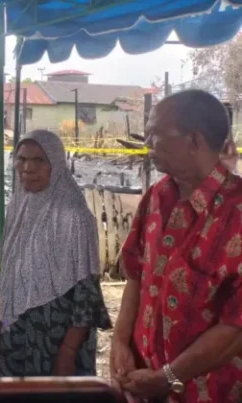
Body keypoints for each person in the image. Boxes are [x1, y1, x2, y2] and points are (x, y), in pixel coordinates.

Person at [111, 89, 242, 402]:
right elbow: (136, 276)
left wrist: (168, 377)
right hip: (142, 386)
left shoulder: (236, 213)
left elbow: (236, 328)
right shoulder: (156, 197)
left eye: (155, 134)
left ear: (194, 141)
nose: (147, 143)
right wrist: (120, 342)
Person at [0, 129, 112, 377]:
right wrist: (1, 325)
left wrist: (68, 351)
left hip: (58, 339)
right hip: (17, 333)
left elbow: (86, 293)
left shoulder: (74, 215)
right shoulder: (19, 206)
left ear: (56, 165)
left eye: (39, 160)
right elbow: (11, 276)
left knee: (55, 393)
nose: (28, 168)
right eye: (22, 159)